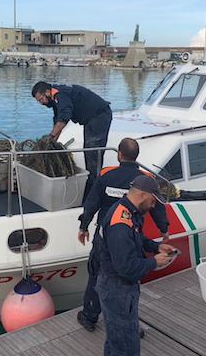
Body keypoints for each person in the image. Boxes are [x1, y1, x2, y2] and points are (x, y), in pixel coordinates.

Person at [76, 138, 169, 332]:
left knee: (96, 276)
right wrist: (164, 230)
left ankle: (89, 317)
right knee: (128, 280)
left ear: (119, 154)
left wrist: (84, 226)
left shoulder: (106, 176)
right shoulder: (145, 181)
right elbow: (157, 209)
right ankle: (129, 321)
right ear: (137, 156)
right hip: (129, 237)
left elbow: (92, 202)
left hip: (104, 236)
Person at [96, 175, 176, 356]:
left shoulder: (127, 211)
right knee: (126, 346)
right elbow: (126, 268)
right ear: (141, 194)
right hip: (117, 289)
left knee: (116, 339)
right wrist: (154, 262)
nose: (154, 205)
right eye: (153, 200)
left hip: (118, 289)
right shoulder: (120, 224)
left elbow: (137, 238)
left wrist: (156, 246)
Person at [31, 81, 112, 197]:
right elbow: (57, 119)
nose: (41, 103)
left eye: (41, 99)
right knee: (88, 151)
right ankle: (92, 186)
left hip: (99, 116)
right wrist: (52, 142)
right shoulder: (55, 97)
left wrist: (51, 137)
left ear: (47, 92)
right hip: (90, 119)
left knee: (93, 152)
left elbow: (64, 116)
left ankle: (94, 192)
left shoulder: (60, 95)